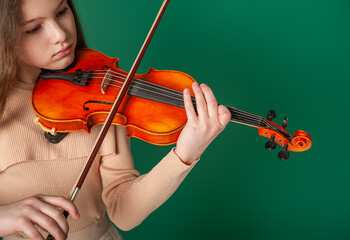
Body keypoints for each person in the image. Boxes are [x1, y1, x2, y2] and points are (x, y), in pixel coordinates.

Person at [0, 0, 232, 239]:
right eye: (33, 29)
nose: (60, 34)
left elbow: (124, 212)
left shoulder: (102, 91)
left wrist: (184, 155)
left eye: (61, 11)